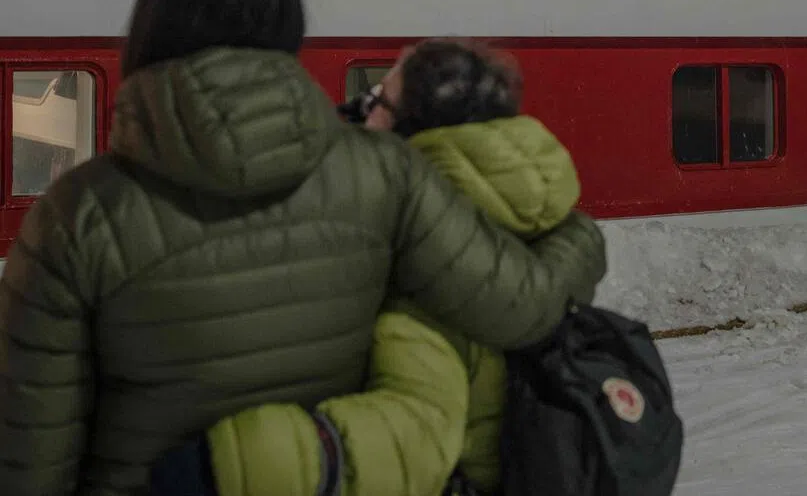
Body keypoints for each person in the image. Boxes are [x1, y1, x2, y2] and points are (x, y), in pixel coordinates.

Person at [0, 0, 606, 496]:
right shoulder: (384, 174)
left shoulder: (76, 215)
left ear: (151, 30)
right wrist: (576, 233)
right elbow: (526, 309)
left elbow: (29, 456)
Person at [152, 39, 584, 496]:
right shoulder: (497, 216)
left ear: (412, 125)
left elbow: (418, 432)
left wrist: (225, 464)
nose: (360, 115)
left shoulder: (429, 250)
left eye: (374, 102)